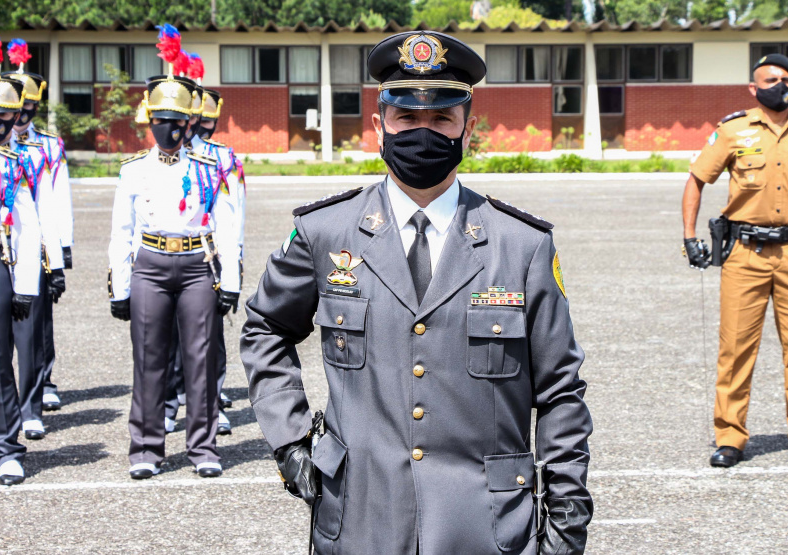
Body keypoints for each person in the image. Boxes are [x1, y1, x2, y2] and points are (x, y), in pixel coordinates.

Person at [241, 31, 593, 554]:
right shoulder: (326, 233)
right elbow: (265, 326)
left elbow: (560, 391)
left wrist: (566, 521)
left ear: (467, 129)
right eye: (407, 118)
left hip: (488, 527)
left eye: (442, 119)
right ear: (378, 123)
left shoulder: (522, 247)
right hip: (360, 518)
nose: (422, 132)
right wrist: (290, 437)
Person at [682, 53, 788, 468]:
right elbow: (697, 180)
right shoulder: (733, 130)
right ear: (753, 89)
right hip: (746, 255)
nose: (781, 85)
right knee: (736, 350)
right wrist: (689, 238)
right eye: (771, 79)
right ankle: (730, 438)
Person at [107, 26, 241, 480]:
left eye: (174, 119)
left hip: (197, 266)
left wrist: (232, 281)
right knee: (147, 357)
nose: (166, 127)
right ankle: (145, 447)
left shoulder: (209, 167)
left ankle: (202, 447)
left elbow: (226, 222)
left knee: (200, 358)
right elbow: (120, 231)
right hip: (149, 265)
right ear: (149, 122)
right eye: (158, 119)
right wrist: (120, 287)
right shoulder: (133, 170)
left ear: (188, 122)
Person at [165, 72, 243, 437]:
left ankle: (213, 397)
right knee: (165, 337)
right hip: (167, 257)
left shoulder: (220, 158)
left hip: (208, 257)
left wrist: (235, 258)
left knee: (209, 336)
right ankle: (169, 401)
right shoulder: (163, 156)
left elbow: (234, 213)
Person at [5, 39, 67, 440]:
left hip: (33, 247)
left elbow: (56, 202)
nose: (21, 116)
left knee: (33, 330)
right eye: (15, 109)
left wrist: (61, 252)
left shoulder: (45, 146)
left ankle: (35, 394)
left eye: (28, 109)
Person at [0, 68, 41, 485]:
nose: (0, 123)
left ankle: (6, 446)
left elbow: (27, 224)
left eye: (7, 116)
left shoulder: (9, 162)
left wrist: (25, 286)